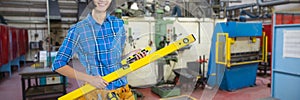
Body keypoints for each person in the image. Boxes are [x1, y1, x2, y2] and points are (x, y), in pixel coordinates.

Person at [52, 0, 145, 99]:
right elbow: (58, 64)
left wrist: (129, 56)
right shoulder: (78, 30)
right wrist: (90, 79)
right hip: (97, 93)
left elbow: (114, 61)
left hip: (123, 91)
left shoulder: (118, 25)